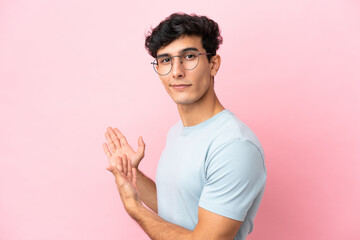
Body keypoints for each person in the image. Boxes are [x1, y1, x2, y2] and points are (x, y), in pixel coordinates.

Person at [102, 13, 267, 240]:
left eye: (189, 56)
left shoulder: (234, 145)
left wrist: (135, 209)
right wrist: (132, 174)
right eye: (166, 60)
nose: (177, 71)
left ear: (213, 64)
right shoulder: (177, 132)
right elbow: (177, 205)